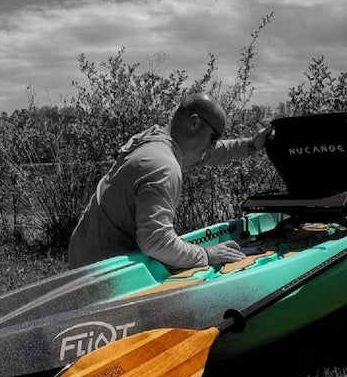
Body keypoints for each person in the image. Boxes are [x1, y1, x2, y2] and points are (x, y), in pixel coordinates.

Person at [68, 92, 272, 270]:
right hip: (102, 273)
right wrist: (207, 255)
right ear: (194, 122)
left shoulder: (156, 139)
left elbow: (208, 154)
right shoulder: (163, 166)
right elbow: (155, 242)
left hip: (83, 255)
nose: (212, 145)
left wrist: (251, 146)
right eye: (213, 137)